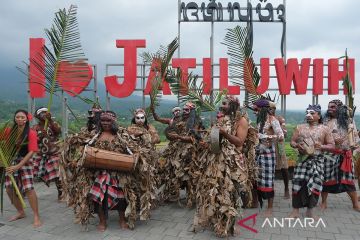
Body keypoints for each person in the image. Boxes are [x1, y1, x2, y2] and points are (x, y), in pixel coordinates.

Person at [62, 111, 155, 231]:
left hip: (119, 172)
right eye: (103, 120)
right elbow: (83, 148)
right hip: (99, 172)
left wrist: (136, 155)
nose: (105, 123)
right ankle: (102, 222)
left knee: (121, 198)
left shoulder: (121, 134)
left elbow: (131, 148)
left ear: (114, 121)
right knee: (99, 198)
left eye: (108, 120)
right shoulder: (94, 134)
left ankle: (122, 220)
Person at [193, 95, 256, 237]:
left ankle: (230, 224)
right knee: (217, 192)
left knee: (231, 192)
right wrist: (207, 143)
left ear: (233, 105)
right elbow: (215, 140)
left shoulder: (242, 121)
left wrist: (225, 133)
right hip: (217, 162)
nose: (222, 106)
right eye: (221, 104)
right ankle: (218, 222)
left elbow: (239, 142)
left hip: (232, 163)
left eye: (225, 104)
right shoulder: (221, 119)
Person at [289, 104, 334, 218]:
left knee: (315, 185)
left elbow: (332, 145)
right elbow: (292, 142)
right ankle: (295, 211)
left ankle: (310, 211)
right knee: (298, 183)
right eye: (307, 113)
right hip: (302, 161)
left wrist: (322, 146)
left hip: (317, 161)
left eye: (312, 113)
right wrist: (296, 145)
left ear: (319, 116)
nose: (308, 115)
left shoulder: (325, 129)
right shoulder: (300, 127)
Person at [320, 99, 360, 211]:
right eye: (329, 107)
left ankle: (355, 204)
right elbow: (321, 136)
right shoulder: (325, 121)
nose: (330, 109)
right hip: (329, 155)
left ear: (339, 108)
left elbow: (354, 138)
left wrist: (350, 145)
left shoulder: (348, 121)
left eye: (333, 107)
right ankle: (323, 203)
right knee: (326, 179)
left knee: (349, 180)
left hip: (344, 155)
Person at [4, 109, 42, 228]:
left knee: (29, 189)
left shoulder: (31, 133)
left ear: (27, 119)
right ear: (14, 119)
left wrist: (18, 166)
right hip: (11, 162)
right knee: (9, 188)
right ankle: (20, 212)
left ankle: (36, 215)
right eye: (17, 117)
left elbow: (31, 152)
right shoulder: (9, 131)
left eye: (22, 117)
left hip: (25, 162)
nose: (19, 119)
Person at [159, 102, 200, 207]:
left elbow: (194, 138)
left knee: (190, 174)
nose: (184, 112)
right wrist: (171, 135)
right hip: (176, 150)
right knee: (172, 171)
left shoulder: (196, 121)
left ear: (192, 111)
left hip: (190, 152)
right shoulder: (179, 120)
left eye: (187, 110)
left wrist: (180, 137)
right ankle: (171, 195)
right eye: (184, 110)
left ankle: (191, 198)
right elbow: (170, 131)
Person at [252, 98, 284, 216]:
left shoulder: (273, 120)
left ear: (262, 109)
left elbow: (280, 136)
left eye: (256, 109)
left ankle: (270, 207)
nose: (254, 112)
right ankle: (254, 201)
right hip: (257, 153)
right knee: (256, 178)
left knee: (268, 180)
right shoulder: (259, 120)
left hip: (268, 155)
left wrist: (265, 137)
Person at [32, 107, 62, 200]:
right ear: (37, 116)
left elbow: (58, 131)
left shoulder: (53, 124)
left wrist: (51, 121)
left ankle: (61, 192)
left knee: (57, 174)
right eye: (42, 113)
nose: (45, 114)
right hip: (41, 155)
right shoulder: (35, 128)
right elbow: (33, 141)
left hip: (54, 153)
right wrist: (39, 136)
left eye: (46, 112)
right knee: (33, 172)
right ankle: (25, 191)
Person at [269, 105, 290, 199]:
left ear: (274, 109)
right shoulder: (265, 119)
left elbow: (284, 132)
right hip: (269, 145)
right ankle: (270, 188)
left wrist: (280, 131)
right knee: (270, 167)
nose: (270, 110)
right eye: (268, 108)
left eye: (272, 108)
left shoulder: (279, 118)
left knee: (284, 167)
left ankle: (286, 189)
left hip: (279, 145)